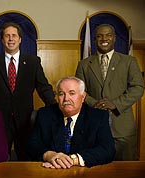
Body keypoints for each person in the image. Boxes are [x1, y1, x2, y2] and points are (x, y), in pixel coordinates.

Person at [0, 22, 56, 160]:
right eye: (7, 36)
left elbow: (43, 87)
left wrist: (55, 107)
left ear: (20, 39)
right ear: (2, 40)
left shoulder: (33, 62)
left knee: (25, 158)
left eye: (14, 36)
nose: (10, 39)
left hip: (25, 120)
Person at [75, 24, 145, 161]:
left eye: (108, 35)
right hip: (93, 126)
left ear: (114, 38)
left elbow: (138, 88)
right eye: (99, 36)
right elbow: (79, 91)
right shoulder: (84, 64)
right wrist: (94, 103)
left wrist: (115, 104)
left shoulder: (129, 61)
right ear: (95, 39)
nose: (104, 38)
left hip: (122, 128)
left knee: (126, 171)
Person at [26, 77, 115, 168]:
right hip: (51, 172)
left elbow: (107, 149)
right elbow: (32, 145)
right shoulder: (45, 114)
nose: (66, 99)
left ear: (83, 97)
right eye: (61, 94)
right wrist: (49, 155)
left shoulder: (98, 117)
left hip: (85, 172)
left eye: (72, 93)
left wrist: (73, 159)